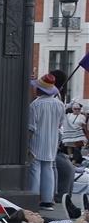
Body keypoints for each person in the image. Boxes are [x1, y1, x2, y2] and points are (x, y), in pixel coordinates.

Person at [28, 74, 66, 209]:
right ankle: (47, 200)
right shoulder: (60, 105)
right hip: (52, 141)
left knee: (35, 170)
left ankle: (33, 197)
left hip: (37, 140)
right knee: (48, 169)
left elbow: (31, 127)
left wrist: (26, 142)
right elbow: (60, 123)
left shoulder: (35, 105)